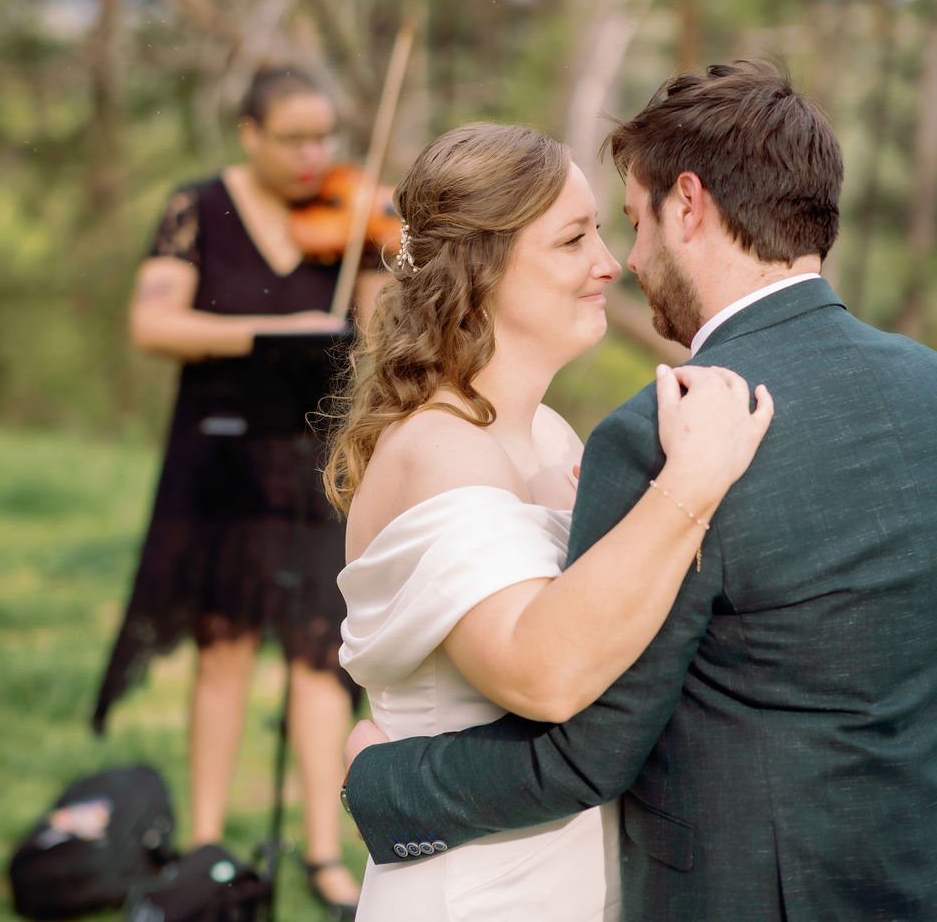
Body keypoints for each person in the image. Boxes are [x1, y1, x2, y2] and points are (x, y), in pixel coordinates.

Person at [342, 64, 937, 922]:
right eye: (578, 238)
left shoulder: (648, 430)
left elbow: (587, 745)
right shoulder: (921, 384)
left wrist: (380, 781)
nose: (619, 262)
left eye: (622, 223)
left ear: (687, 204)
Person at [324, 120, 773, 921]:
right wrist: (693, 482)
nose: (609, 263)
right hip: (474, 889)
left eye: (600, 231)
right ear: (483, 266)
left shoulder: (549, 436)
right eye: (572, 239)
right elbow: (544, 672)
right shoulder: (439, 447)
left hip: (573, 876)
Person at [93, 65, 383, 918]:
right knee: (222, 648)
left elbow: (379, 333)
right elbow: (155, 323)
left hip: (315, 465)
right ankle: (207, 841)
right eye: (292, 137)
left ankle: (328, 852)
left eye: (324, 136)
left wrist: (393, 245)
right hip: (221, 456)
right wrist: (273, 330)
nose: (312, 155)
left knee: (321, 655)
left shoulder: (355, 211)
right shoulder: (197, 207)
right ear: (248, 133)